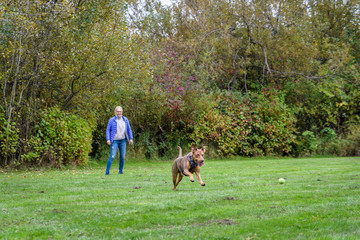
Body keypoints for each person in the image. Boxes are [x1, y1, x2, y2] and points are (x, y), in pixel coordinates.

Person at [105, 106, 133, 175]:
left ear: (122, 112)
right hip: (114, 141)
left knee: (122, 157)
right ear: (115, 112)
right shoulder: (112, 120)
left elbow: (129, 129)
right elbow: (108, 130)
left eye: (120, 111)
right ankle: (107, 172)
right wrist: (108, 139)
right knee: (112, 156)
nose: (119, 113)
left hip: (123, 140)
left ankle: (120, 171)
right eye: (117, 111)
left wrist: (131, 138)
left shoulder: (125, 120)